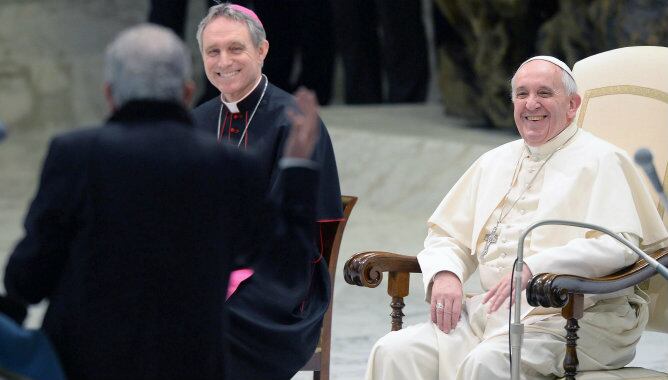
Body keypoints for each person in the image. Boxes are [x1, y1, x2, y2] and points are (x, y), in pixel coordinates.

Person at [3, 23, 324, 380]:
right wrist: (297, 167)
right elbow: (287, 265)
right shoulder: (229, 166)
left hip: (86, 362)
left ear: (109, 94)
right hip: (190, 363)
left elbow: (27, 277)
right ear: (187, 93)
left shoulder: (75, 154)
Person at [365, 56, 668, 379]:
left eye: (544, 93)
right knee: (394, 351)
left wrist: (536, 266)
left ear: (572, 104)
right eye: (522, 94)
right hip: (493, 313)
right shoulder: (494, 161)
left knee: (487, 363)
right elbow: (448, 234)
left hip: (576, 318)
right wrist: (445, 273)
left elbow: (618, 246)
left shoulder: (603, 160)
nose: (531, 104)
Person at [192, 3, 343, 379]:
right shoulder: (195, 122)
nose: (223, 60)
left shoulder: (295, 121)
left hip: (280, 286)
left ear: (262, 50)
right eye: (213, 51)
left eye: (235, 48)